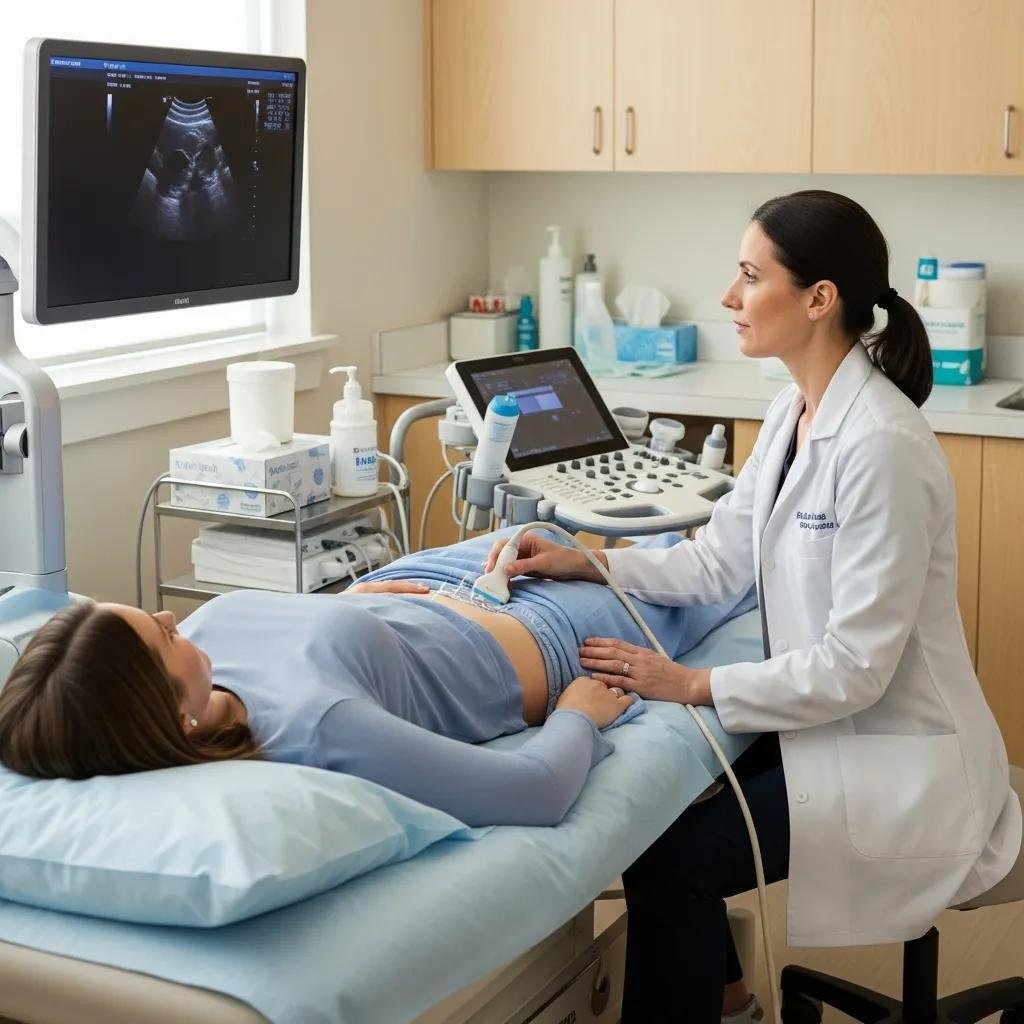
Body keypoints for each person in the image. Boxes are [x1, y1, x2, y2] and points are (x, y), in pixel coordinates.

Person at [485, 190, 1022, 1022]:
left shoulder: (880, 446)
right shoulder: (790, 411)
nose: (729, 298)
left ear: (819, 299)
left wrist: (689, 684)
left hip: (896, 753)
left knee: (676, 863)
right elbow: (719, 560)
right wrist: (592, 564)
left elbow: (859, 669)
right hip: (827, 726)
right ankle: (727, 996)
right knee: (651, 823)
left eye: (748, 275)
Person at [0, 533, 754, 829]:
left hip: (436, 581)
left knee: (607, 535)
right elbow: (532, 792)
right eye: (160, 635)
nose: (172, 617)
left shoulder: (202, 656)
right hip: (555, 636)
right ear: (174, 718)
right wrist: (580, 716)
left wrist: (346, 607)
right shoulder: (318, 726)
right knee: (740, 567)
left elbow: (292, 638)